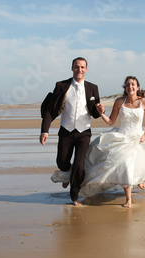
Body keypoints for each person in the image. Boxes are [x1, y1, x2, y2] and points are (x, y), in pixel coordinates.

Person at [79, 76, 145, 208]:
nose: (130, 87)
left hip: (138, 137)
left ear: (137, 87)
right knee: (125, 165)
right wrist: (101, 113)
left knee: (138, 162)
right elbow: (111, 121)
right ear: (125, 88)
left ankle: (140, 180)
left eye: (133, 84)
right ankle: (128, 199)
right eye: (127, 85)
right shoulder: (119, 102)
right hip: (123, 138)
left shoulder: (143, 102)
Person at [39, 57, 104, 206]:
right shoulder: (61, 86)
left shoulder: (93, 88)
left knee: (79, 165)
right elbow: (50, 109)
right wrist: (45, 131)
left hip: (84, 132)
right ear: (72, 68)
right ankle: (67, 175)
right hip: (66, 130)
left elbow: (94, 113)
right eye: (76, 67)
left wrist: (100, 111)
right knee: (62, 162)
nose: (79, 70)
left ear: (86, 69)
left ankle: (74, 195)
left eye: (82, 67)